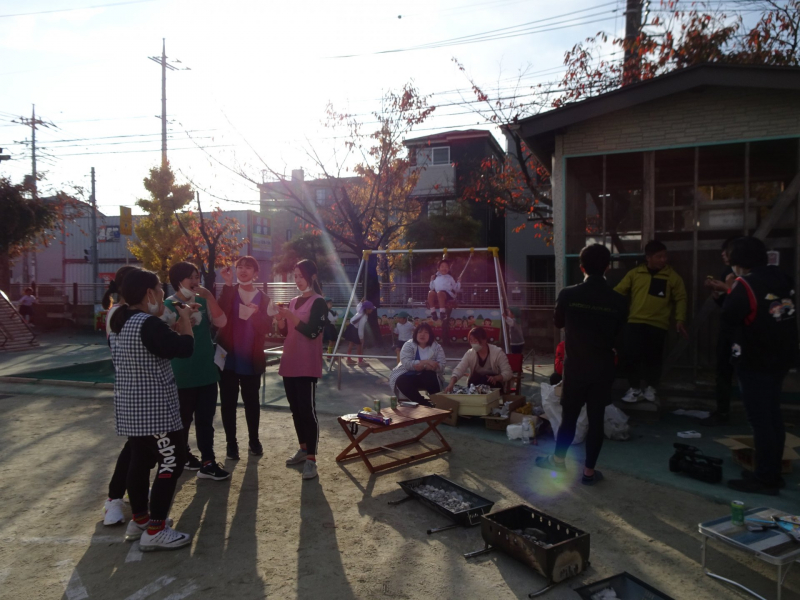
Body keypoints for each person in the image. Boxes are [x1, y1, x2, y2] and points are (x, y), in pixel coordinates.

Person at [108, 268, 195, 551]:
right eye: (158, 289)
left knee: (140, 461)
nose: (161, 294)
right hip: (155, 410)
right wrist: (185, 321)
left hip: (131, 408)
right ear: (149, 293)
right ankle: (156, 528)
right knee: (172, 460)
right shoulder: (148, 323)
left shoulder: (121, 320)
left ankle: (141, 519)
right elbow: (184, 349)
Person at [534, 244, 628, 484]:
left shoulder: (569, 294)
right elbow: (620, 335)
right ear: (608, 267)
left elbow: (558, 322)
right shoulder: (619, 301)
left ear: (581, 266)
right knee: (596, 418)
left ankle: (558, 462)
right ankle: (588, 472)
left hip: (575, 366)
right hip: (602, 367)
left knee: (569, 417)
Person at [723, 237, 798, 495]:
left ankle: (765, 478)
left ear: (738, 262)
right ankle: (771, 472)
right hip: (780, 359)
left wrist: (729, 289)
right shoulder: (781, 279)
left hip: (755, 360)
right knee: (773, 416)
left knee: (760, 421)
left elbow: (729, 316)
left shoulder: (746, 284)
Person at [163, 262, 230, 481]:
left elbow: (221, 321)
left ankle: (208, 462)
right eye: (190, 277)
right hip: (181, 372)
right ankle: (181, 456)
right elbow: (162, 338)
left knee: (206, 419)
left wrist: (210, 297)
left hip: (206, 369)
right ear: (177, 280)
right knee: (182, 420)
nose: (195, 282)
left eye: (197, 276)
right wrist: (181, 323)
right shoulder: (168, 305)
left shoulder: (202, 300)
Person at [217, 256, 275, 460]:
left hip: (251, 359)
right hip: (228, 358)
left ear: (255, 273)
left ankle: (254, 440)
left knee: (252, 402)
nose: (243, 270)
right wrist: (227, 284)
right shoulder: (230, 292)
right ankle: (231, 444)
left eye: (248, 268)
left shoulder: (265, 299)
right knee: (228, 403)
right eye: (239, 267)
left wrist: (257, 315)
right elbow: (219, 315)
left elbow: (267, 328)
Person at [615, 240, 687, 403]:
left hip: (658, 325)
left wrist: (680, 319)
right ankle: (634, 388)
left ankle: (651, 388)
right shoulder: (635, 274)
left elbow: (681, 298)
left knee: (653, 359)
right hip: (635, 322)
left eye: (665, 256)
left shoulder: (672, 277)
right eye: (659, 256)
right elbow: (618, 292)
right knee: (631, 356)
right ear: (648, 257)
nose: (663, 260)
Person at [276, 260, 327, 480]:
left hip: (306, 364)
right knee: (295, 409)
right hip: (289, 362)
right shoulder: (293, 301)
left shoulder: (319, 302)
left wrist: (291, 317)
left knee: (307, 410)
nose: (297, 280)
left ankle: (312, 460)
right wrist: (279, 320)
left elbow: (313, 332)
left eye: (300, 276)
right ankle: (303, 449)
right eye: (295, 276)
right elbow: (284, 333)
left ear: (312, 277)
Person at [101, 266, 141, 527]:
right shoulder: (118, 313)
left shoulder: (134, 313)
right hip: (132, 390)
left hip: (141, 389)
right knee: (134, 446)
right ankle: (114, 498)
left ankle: (132, 491)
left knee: (141, 446)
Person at [701, 237, 738, 426]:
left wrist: (727, 289)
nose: (723, 254)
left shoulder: (750, 276)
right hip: (727, 329)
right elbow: (729, 304)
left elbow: (743, 302)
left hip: (743, 333)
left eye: (727, 250)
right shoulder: (727, 272)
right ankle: (722, 411)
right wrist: (718, 295)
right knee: (722, 370)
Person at [388, 322, 446, 405]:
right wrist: (427, 362)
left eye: (426, 332)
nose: (422, 335)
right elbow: (406, 363)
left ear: (430, 335)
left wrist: (428, 367)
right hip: (409, 374)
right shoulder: (408, 345)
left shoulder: (436, 347)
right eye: (420, 332)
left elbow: (442, 365)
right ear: (415, 334)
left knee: (430, 375)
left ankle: (439, 404)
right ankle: (423, 403)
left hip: (427, 377)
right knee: (401, 381)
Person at [444, 327, 513, 392]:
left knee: (485, 380)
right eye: (471, 341)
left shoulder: (497, 352)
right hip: (475, 385)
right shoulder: (470, 353)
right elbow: (460, 369)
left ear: (484, 340)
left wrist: (496, 378)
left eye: (476, 340)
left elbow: (508, 373)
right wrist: (451, 383)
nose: (473, 343)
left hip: (493, 385)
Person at [343, 300, 374, 365]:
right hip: (355, 329)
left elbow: (358, 306)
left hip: (350, 327)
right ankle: (360, 361)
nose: (372, 310)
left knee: (351, 343)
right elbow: (361, 328)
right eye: (371, 309)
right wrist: (361, 338)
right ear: (367, 309)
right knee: (359, 345)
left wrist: (360, 302)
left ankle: (348, 359)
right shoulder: (364, 317)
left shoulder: (360, 311)